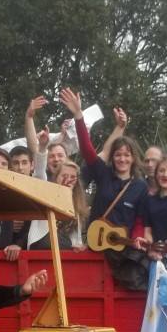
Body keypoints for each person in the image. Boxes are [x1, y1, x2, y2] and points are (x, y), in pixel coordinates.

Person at [59, 87, 148, 232]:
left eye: (127, 155)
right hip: (97, 244)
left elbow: (140, 219)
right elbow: (87, 150)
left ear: (133, 158)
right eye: (118, 154)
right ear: (111, 157)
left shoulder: (140, 185)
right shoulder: (104, 174)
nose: (122, 159)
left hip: (124, 249)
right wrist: (78, 115)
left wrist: (136, 239)